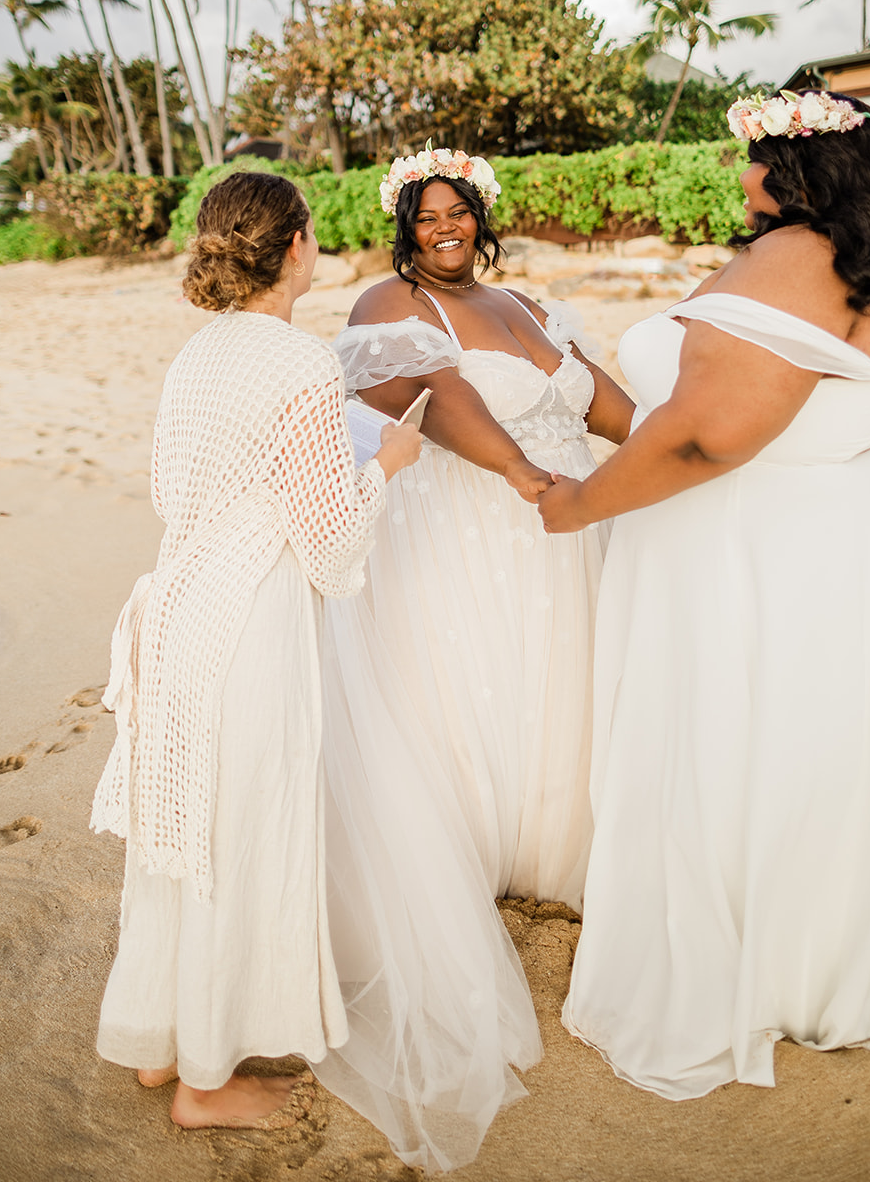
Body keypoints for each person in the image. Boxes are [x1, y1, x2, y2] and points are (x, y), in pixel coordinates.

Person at [92, 170, 538, 1171]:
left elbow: (174, 487)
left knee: (180, 834)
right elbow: (331, 548)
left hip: (177, 608)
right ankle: (206, 1080)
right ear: (293, 246)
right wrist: (389, 466)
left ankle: (160, 1044)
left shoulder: (197, 355)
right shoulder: (297, 361)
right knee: (241, 834)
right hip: (249, 621)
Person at [539, 90, 870, 1099]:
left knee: (736, 739)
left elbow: (704, 435)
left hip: (760, 544)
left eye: (749, 160)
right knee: (818, 742)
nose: (736, 179)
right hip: (854, 541)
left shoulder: (798, 253)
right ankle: (818, 951)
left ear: (797, 170)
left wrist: (574, 504)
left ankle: (740, 962)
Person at [326, 145, 634, 911]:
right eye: (425, 218)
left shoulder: (526, 306)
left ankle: (561, 842)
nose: (444, 229)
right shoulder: (388, 305)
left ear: (480, 217)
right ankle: (481, 850)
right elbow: (430, 397)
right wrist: (515, 469)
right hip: (475, 520)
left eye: (457, 212)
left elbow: (595, 400)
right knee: (487, 674)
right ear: (406, 228)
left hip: (568, 519)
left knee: (569, 673)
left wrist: (665, 448)